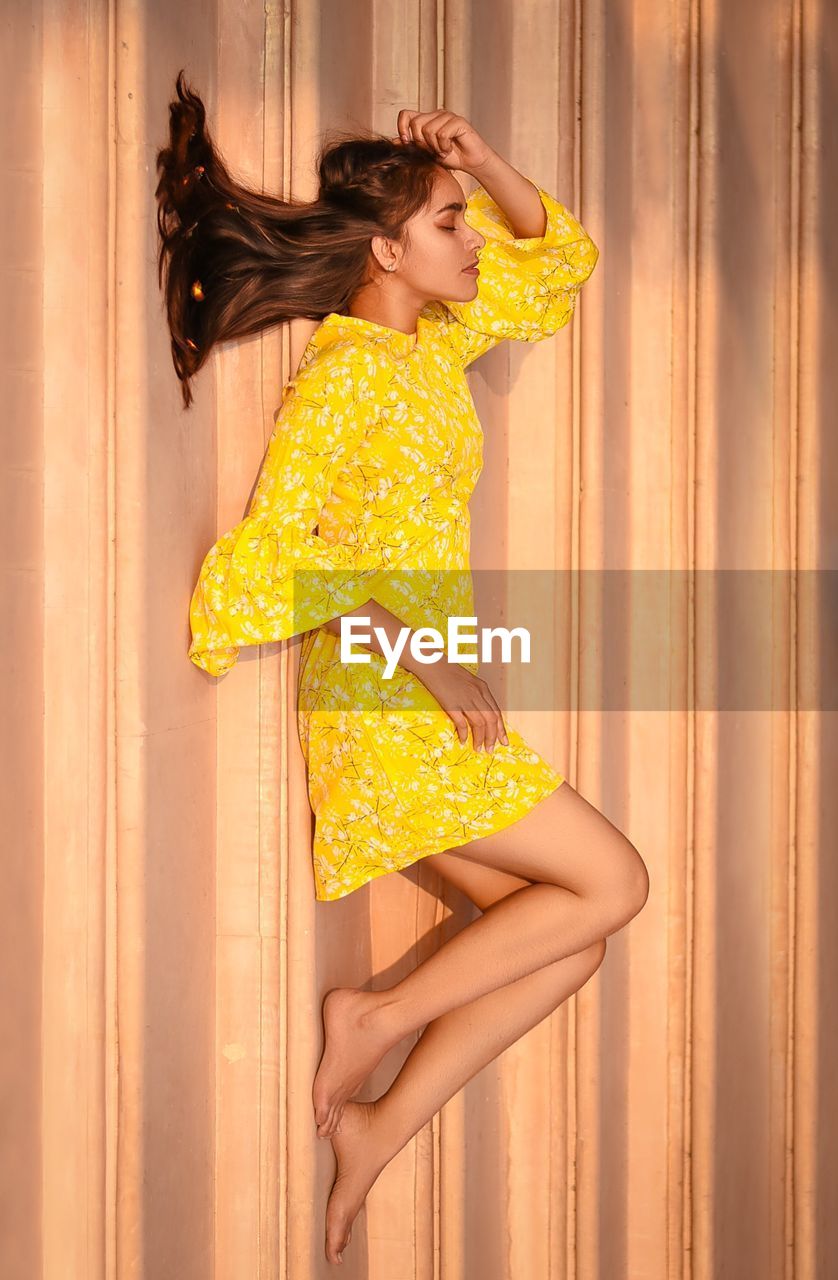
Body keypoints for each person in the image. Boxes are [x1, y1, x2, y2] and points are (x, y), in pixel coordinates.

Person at [156, 70, 650, 1266]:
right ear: (384, 248)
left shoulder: (428, 348)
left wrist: (477, 160)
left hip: (431, 682)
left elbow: (559, 268)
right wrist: (418, 650)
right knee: (613, 884)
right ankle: (372, 1015)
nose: (471, 239)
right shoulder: (342, 379)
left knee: (570, 937)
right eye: (444, 224)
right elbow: (253, 570)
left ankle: (380, 1122)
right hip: (389, 691)